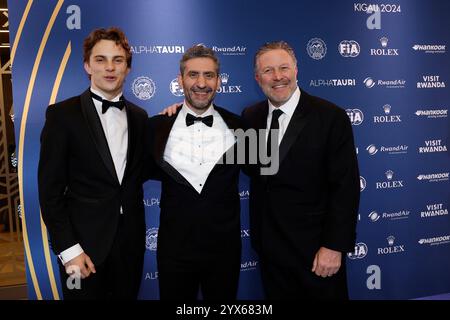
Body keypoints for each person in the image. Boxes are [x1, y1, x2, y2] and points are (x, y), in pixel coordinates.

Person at [241, 41, 360, 300]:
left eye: (284, 67)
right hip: (270, 251)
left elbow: (345, 187)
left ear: (296, 70)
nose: (277, 76)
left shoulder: (330, 117)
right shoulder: (250, 116)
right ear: (257, 77)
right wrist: (178, 113)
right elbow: (250, 168)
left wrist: (334, 246)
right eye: (268, 70)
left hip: (316, 253)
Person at [38, 27, 150, 299]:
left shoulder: (140, 116)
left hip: (130, 247)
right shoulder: (62, 115)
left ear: (128, 68)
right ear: (87, 65)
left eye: (118, 60)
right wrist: (69, 250)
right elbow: (49, 191)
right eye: (101, 60)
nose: (110, 68)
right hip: (81, 250)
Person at [147, 45, 244, 300]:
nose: (201, 83)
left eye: (209, 75)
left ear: (218, 81)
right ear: (180, 80)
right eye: (193, 75)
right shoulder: (157, 127)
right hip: (174, 253)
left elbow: (268, 175)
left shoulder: (240, 126)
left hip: (225, 252)